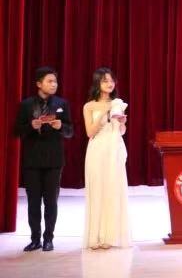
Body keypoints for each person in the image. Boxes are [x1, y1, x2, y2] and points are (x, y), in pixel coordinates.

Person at [15, 66, 75, 252]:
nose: (54, 84)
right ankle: (35, 239)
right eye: (49, 81)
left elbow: (70, 131)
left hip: (54, 160)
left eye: (55, 81)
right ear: (39, 84)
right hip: (32, 160)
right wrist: (30, 126)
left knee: (51, 201)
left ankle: (48, 238)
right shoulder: (26, 105)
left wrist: (60, 126)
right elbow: (17, 131)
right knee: (33, 202)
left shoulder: (61, 103)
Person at [82, 67, 132, 249]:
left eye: (111, 80)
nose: (110, 84)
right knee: (97, 190)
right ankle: (95, 236)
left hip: (114, 149)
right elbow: (90, 132)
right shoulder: (89, 106)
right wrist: (104, 113)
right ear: (97, 83)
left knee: (113, 190)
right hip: (97, 150)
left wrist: (122, 123)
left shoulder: (118, 103)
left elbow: (121, 132)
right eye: (105, 80)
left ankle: (109, 236)